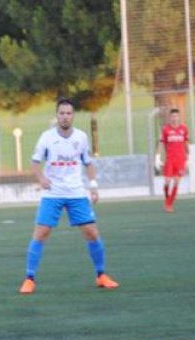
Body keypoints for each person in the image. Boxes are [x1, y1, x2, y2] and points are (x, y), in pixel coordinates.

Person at [19, 98, 120, 295]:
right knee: (41, 233)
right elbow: (35, 162)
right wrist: (41, 178)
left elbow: (88, 163)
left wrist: (93, 186)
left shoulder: (81, 137)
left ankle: (101, 275)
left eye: (68, 113)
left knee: (92, 233)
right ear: (57, 116)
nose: (65, 117)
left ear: (73, 116)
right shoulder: (47, 137)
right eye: (62, 113)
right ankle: (29, 279)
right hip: (52, 193)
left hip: (76, 192)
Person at [156, 107, 190, 213]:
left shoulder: (184, 129)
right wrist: (158, 157)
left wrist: (189, 157)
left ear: (179, 117)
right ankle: (167, 198)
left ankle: (169, 204)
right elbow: (161, 143)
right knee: (167, 182)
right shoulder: (166, 129)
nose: (174, 118)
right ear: (170, 118)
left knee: (176, 182)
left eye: (176, 116)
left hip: (181, 160)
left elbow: (186, 143)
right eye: (172, 116)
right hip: (170, 159)